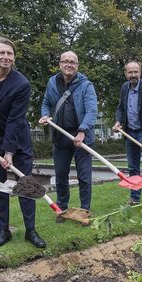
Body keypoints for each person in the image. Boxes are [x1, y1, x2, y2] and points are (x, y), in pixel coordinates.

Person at [0, 37, 46, 248]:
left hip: (18, 142)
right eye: (2, 53)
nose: (6, 57)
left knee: (26, 185)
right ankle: (3, 231)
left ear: (14, 58)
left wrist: (9, 152)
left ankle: (30, 231)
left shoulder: (21, 84)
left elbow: (15, 120)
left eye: (10, 54)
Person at [39, 51, 98, 223]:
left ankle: (84, 211)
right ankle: (62, 209)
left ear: (77, 66)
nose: (69, 64)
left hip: (81, 136)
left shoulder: (86, 85)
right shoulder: (52, 83)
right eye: (65, 61)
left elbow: (91, 110)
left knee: (84, 177)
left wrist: (82, 131)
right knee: (61, 174)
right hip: (60, 135)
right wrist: (45, 115)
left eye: (73, 62)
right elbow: (46, 103)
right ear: (60, 64)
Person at [112, 61, 142, 208]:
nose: (133, 75)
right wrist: (118, 121)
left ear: (140, 72)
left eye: (135, 72)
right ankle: (135, 198)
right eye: (130, 72)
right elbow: (120, 108)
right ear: (126, 73)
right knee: (133, 167)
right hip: (130, 132)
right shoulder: (125, 88)